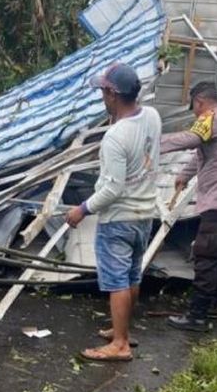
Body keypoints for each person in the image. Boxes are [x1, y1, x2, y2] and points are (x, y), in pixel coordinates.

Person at [65, 63, 160, 361]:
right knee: (132, 276)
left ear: (112, 94)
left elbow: (113, 189)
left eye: (103, 91)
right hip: (144, 213)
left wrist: (82, 209)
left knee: (117, 280)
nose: (102, 97)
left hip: (118, 218)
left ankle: (120, 344)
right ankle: (123, 331)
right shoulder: (152, 116)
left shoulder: (115, 137)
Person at [157, 82, 217, 332]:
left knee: (206, 255)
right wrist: (185, 175)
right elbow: (201, 150)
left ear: (199, 102)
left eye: (194, 107)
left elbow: (191, 139)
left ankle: (197, 316)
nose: (194, 113)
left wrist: (151, 143)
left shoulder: (212, 117)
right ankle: (210, 306)